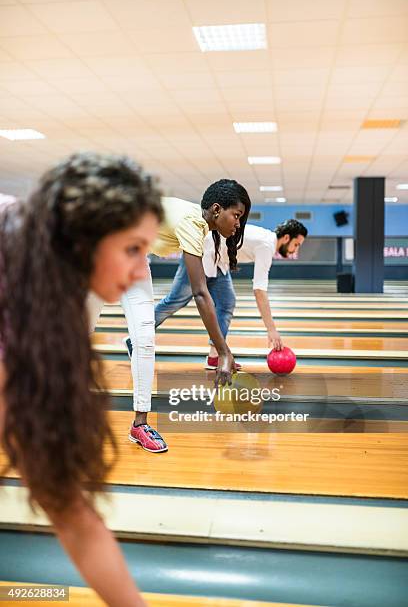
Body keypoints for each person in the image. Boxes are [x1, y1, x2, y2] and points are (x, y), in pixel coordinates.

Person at [0, 152, 164, 607]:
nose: (139, 274)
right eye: (132, 249)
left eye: (146, 252)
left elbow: (70, 511)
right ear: (83, 240)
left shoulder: (49, 303)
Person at [92, 180, 252, 453]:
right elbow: (200, 293)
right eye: (236, 215)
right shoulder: (192, 222)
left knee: (144, 338)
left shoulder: (199, 224)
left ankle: (139, 425)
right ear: (216, 210)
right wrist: (223, 352)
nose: (238, 223)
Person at [154, 219, 308, 367]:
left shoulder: (266, 240)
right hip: (200, 252)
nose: (296, 249)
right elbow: (259, 290)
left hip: (218, 260)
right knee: (175, 301)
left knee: (227, 302)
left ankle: (215, 356)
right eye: (296, 244)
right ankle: (139, 334)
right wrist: (272, 330)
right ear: (286, 237)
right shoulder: (266, 245)